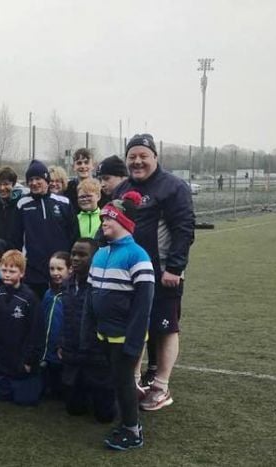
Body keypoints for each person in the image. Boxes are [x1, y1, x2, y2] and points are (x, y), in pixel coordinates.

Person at [116, 134, 195, 412]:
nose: (137, 161)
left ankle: (161, 386)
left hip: (162, 275)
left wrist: (174, 268)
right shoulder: (122, 188)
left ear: (155, 158)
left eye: (143, 156)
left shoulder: (172, 187)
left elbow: (184, 229)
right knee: (133, 327)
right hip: (129, 276)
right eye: (132, 157)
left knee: (165, 329)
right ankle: (134, 382)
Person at [82, 190, 154, 451]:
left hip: (125, 338)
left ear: (123, 222)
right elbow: (90, 299)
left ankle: (133, 431)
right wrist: (87, 332)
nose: (103, 224)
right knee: (117, 381)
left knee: (124, 383)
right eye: (102, 220)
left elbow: (143, 307)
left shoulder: (138, 257)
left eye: (108, 219)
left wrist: (134, 344)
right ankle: (127, 422)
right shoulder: (100, 254)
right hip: (105, 335)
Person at [59, 238, 115, 424]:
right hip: (72, 352)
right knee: (74, 409)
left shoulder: (101, 285)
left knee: (105, 416)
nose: (75, 258)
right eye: (73, 254)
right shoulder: (66, 284)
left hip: (96, 355)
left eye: (82, 255)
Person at [0, 251, 44, 406]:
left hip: (21, 361)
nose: (7, 275)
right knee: (1, 396)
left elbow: (36, 332)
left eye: (12, 271)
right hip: (0, 360)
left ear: (21, 273)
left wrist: (30, 360)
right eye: (4, 270)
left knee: (25, 400)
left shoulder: (30, 299)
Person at [13, 160, 79, 299]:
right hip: (33, 270)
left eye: (38, 178)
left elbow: (74, 235)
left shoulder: (63, 202)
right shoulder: (22, 204)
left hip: (60, 269)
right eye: (30, 179)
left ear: (47, 180)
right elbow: (16, 237)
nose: (34, 183)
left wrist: (69, 262)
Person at [39, 251, 70, 399]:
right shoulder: (48, 293)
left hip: (62, 347)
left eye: (59, 269)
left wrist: (63, 342)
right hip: (47, 347)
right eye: (52, 269)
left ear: (69, 269)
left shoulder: (71, 295)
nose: (55, 273)